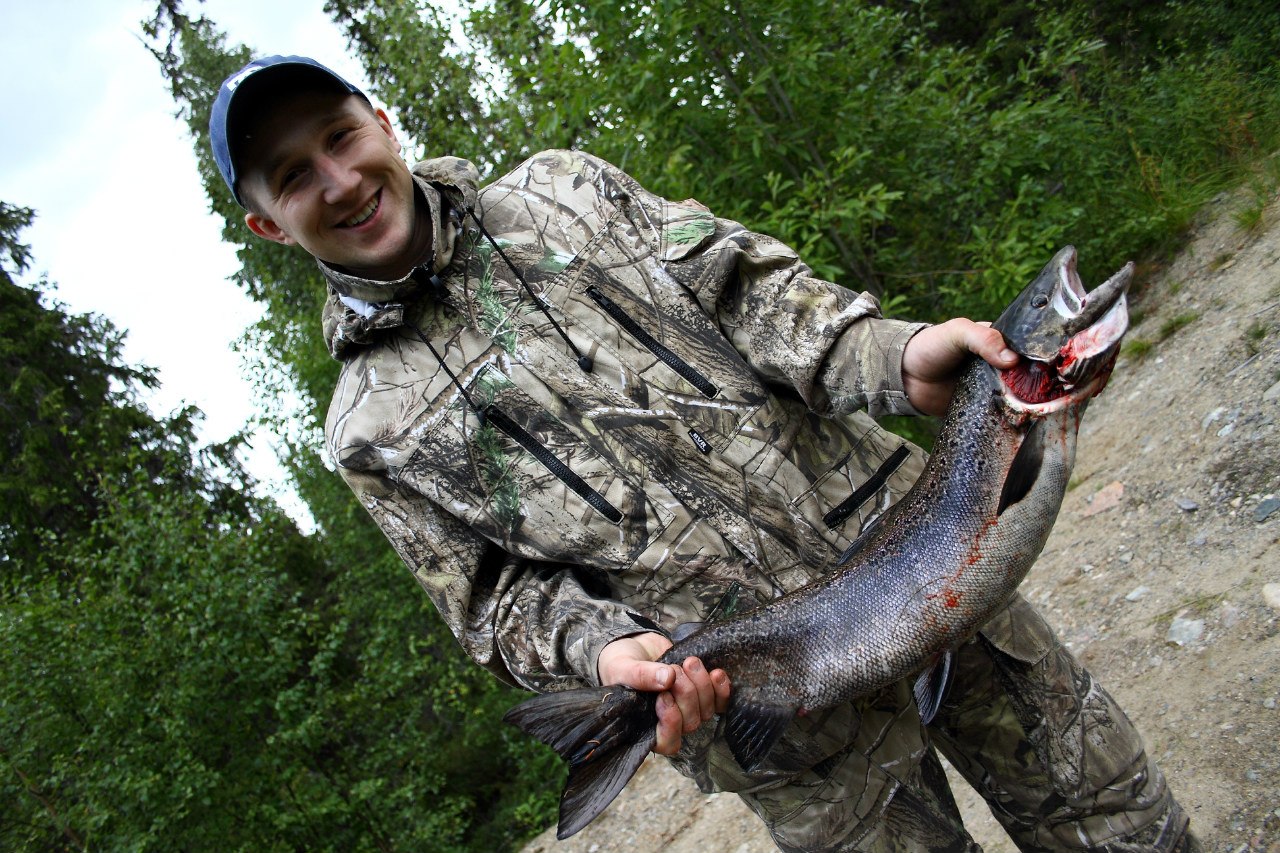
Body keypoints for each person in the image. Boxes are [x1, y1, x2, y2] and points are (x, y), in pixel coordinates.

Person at [208, 55, 1197, 852]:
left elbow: (756, 296)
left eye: (340, 136)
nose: (339, 180)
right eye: (293, 176)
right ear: (266, 224)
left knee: (1115, 820)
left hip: (919, 560)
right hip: (762, 707)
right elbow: (494, 604)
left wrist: (895, 358)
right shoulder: (365, 431)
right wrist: (600, 651)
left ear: (381, 121)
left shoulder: (565, 191)